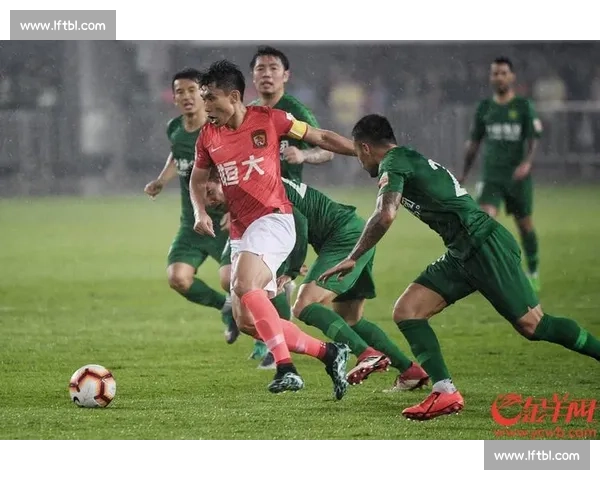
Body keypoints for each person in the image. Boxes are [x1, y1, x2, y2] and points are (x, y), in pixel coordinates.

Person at [320, 114, 600, 420]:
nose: (360, 163)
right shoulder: (404, 158)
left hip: (483, 246)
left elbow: (385, 214)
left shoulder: (394, 163)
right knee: (408, 310)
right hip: (462, 251)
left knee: (534, 326)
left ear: (365, 147)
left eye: (358, 154)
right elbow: (355, 156)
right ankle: (444, 391)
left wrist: (354, 255)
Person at [188, 60, 359, 397]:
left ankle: (286, 368)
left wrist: (366, 153)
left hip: (274, 219)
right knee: (247, 322)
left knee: (244, 284)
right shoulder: (208, 135)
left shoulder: (271, 119)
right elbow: (197, 178)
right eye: (203, 99)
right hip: (241, 231)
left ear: (233, 96)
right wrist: (200, 211)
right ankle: (329, 353)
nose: (205, 106)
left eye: (210, 98)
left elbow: (321, 137)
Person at [206, 172, 429, 390]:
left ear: (223, 178)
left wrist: (291, 270)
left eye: (209, 191)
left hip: (345, 237)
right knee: (350, 318)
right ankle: (410, 371)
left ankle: (366, 354)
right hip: (354, 232)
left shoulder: (257, 189)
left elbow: (299, 221)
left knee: (304, 306)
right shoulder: (258, 180)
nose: (208, 200)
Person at [219, 45, 334, 367]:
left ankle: (275, 349)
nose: (266, 74)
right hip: (248, 212)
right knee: (231, 277)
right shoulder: (247, 112)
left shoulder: (292, 111)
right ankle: (265, 333)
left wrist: (304, 155)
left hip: (283, 209)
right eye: (260, 68)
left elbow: (326, 150)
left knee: (273, 280)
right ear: (252, 76)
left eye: (273, 68)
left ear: (286, 75)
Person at [143, 67, 237, 343]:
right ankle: (226, 307)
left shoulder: (219, 130)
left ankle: (265, 342)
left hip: (223, 223)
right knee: (178, 278)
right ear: (173, 97)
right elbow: (177, 157)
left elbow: (237, 170)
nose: (186, 96)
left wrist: (234, 210)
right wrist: (162, 180)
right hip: (192, 223)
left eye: (192, 90)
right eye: (179, 92)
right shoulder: (175, 128)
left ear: (203, 93)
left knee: (241, 284)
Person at [460, 56, 543, 292]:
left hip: (517, 178)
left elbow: (533, 138)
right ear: (490, 77)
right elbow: (474, 143)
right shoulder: (485, 108)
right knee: (483, 225)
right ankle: (488, 274)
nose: (499, 77)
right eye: (495, 73)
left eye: (503, 73)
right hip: (491, 177)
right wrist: (464, 173)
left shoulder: (523, 106)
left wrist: (527, 163)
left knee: (524, 225)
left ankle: (533, 271)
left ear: (512, 76)